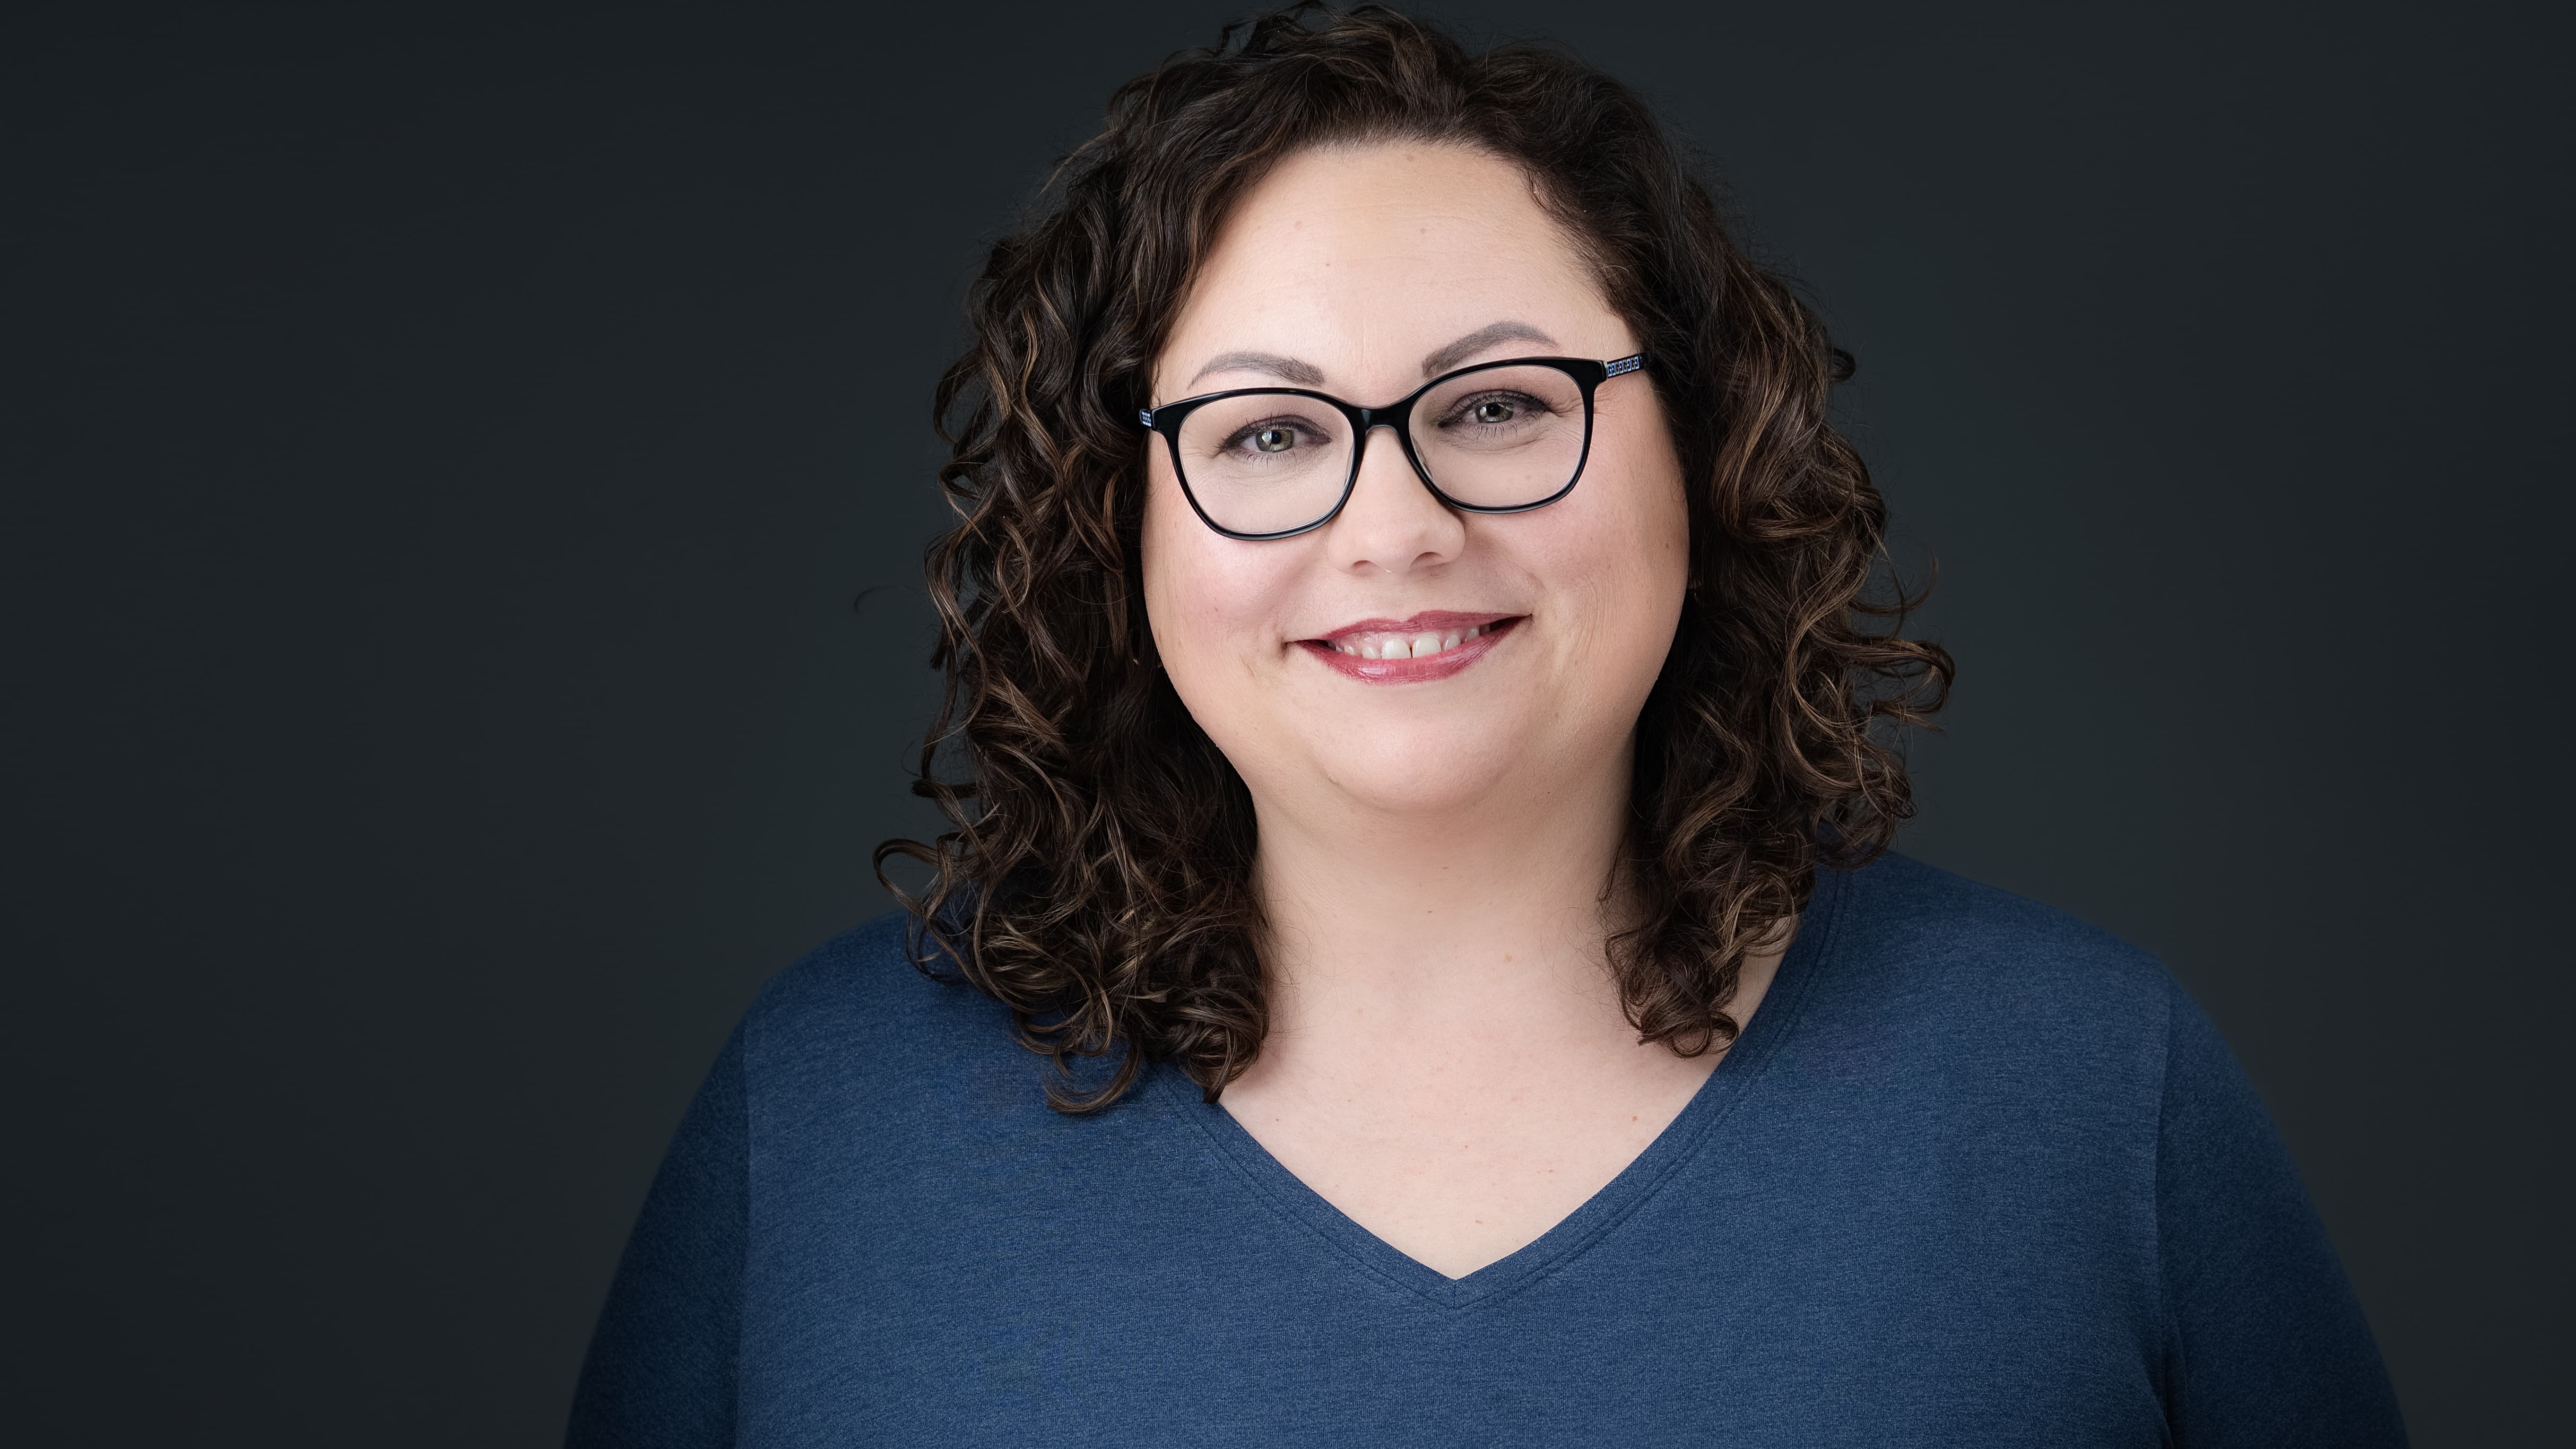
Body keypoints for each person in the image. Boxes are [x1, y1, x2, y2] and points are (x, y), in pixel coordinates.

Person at [568, 6, 2405, 1444]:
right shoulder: (821, 1117)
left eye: (1503, 403)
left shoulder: (2085, 1091)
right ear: (1116, 526)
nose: (1397, 524)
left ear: (1696, 444)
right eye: (1269, 431)